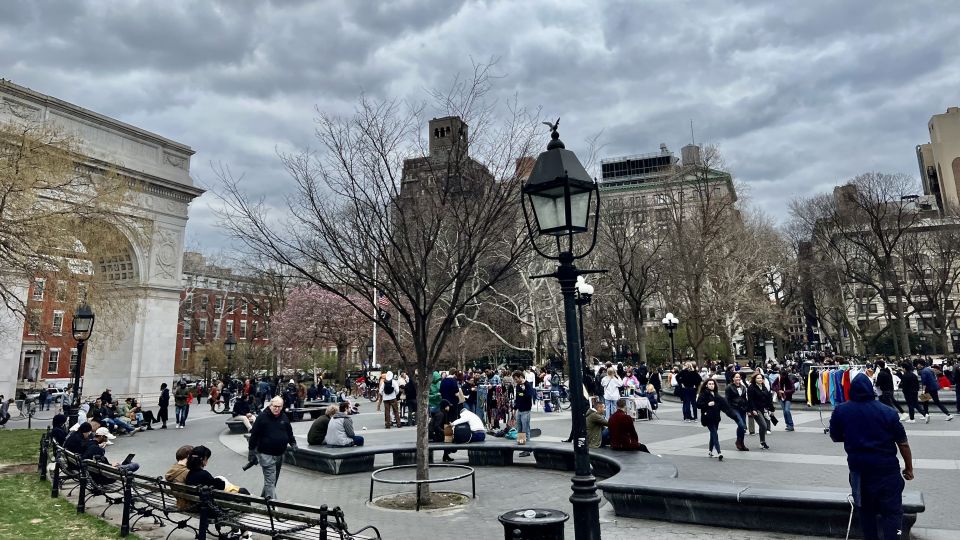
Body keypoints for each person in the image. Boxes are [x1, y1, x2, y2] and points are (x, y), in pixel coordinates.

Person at [830, 374, 914, 540]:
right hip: (887, 471)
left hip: (859, 472)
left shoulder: (841, 410)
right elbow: (903, 443)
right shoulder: (888, 412)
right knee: (893, 513)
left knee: (866, 513)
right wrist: (909, 468)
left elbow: (835, 436)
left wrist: (853, 436)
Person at [248, 396, 297, 499]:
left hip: (280, 454)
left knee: (273, 480)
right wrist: (251, 451)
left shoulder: (284, 417)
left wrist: (293, 443)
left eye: (279, 407)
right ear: (270, 405)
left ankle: (263, 498)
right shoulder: (262, 417)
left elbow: (289, 432)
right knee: (270, 479)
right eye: (275, 406)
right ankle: (272, 506)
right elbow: (254, 435)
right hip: (266, 454)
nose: (277, 409)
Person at [185, 445, 250, 495]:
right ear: (202, 459)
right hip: (208, 505)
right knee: (243, 491)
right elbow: (221, 486)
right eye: (207, 459)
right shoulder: (204, 474)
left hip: (195, 503)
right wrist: (218, 480)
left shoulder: (189, 474)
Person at [697, 379, 723, 461]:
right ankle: (719, 452)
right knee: (715, 434)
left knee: (713, 434)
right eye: (710, 384)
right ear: (706, 385)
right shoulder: (703, 394)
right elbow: (698, 405)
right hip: (708, 417)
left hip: (716, 417)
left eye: (713, 384)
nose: (712, 385)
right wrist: (707, 404)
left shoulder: (716, 394)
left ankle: (710, 451)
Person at [725, 372, 750, 451]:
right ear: (733, 378)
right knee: (741, 425)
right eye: (736, 377)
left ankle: (741, 443)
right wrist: (728, 409)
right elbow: (727, 399)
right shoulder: (729, 387)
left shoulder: (743, 387)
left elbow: (745, 399)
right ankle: (739, 442)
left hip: (742, 408)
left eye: (739, 377)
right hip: (734, 408)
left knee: (742, 427)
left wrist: (747, 409)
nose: (738, 379)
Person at [747, 372, 772, 450]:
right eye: (758, 378)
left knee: (763, 426)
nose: (760, 379)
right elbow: (750, 400)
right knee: (764, 425)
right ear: (754, 379)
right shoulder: (751, 387)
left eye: (761, 378)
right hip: (756, 409)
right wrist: (753, 409)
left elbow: (768, 398)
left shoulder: (763, 387)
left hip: (763, 409)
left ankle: (762, 442)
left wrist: (771, 408)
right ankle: (762, 442)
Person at [512, 370, 534, 457]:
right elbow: (518, 397)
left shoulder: (528, 385)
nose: (515, 381)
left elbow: (529, 396)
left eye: (516, 379)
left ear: (521, 377)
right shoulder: (518, 386)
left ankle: (527, 449)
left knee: (526, 429)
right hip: (519, 410)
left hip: (526, 410)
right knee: (520, 429)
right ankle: (522, 447)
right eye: (514, 379)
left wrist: (523, 391)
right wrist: (514, 408)